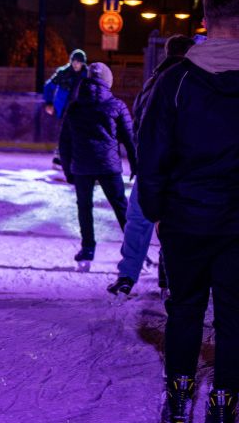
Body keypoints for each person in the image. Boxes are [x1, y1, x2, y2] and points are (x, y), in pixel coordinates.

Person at [137, 0, 239, 423]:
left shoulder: (175, 80)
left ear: (206, 21)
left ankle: (179, 403)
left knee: (185, 310)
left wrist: (156, 209)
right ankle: (222, 410)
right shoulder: (176, 80)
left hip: (188, 219)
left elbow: (152, 153)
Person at [107, 34, 194, 299]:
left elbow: (138, 125)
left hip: (150, 164)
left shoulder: (153, 81)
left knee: (139, 220)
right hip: (177, 165)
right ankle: (169, 278)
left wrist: (140, 160)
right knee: (171, 221)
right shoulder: (191, 80)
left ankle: (127, 276)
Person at [56, 62, 134, 271]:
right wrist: (136, 166)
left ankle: (88, 248)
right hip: (109, 166)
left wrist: (68, 170)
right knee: (120, 206)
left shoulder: (75, 106)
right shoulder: (117, 105)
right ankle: (134, 250)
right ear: (108, 81)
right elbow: (130, 139)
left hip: (82, 166)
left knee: (84, 207)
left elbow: (64, 143)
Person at [44, 49, 88, 118]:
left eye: (78, 62)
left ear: (82, 63)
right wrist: (49, 103)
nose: (75, 64)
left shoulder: (88, 76)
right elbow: (48, 86)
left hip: (80, 112)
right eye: (73, 61)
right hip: (62, 111)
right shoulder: (63, 73)